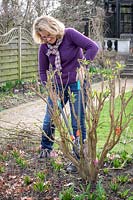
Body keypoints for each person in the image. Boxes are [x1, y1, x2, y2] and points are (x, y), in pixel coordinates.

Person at [32, 15, 99, 171]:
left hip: (78, 84)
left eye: (48, 35)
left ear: (54, 28)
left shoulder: (69, 34)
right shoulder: (44, 47)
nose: (47, 39)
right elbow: (43, 71)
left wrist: (83, 66)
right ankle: (46, 149)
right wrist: (48, 87)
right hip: (57, 87)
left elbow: (93, 47)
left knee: (77, 122)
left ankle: (79, 158)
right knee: (50, 119)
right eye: (43, 37)